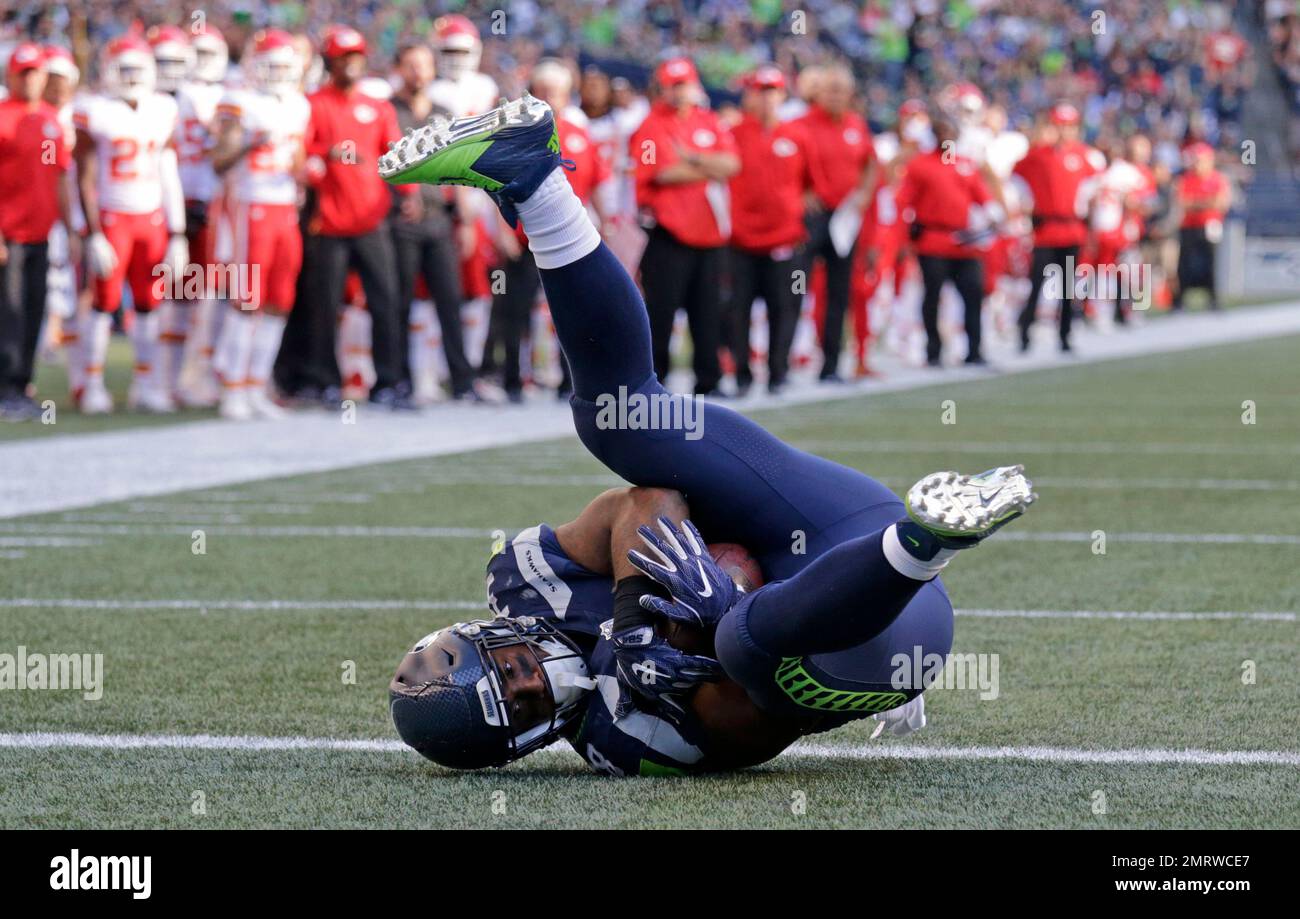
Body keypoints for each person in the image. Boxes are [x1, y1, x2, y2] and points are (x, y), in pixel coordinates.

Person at [379, 97, 1035, 774]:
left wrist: (636, 620)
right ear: (524, 740)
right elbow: (752, 717)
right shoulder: (623, 741)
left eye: (511, 666)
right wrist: (723, 610)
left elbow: (640, 503)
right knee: (750, 647)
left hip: (830, 526)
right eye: (522, 702)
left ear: (492, 633)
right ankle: (928, 540)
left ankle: (533, 179)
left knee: (620, 420)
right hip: (860, 644)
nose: (533, 679)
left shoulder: (522, 585)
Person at [294, 25, 412, 409]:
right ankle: (324, 379)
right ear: (331, 62)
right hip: (327, 222)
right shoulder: (313, 103)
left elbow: (395, 152)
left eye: (357, 55)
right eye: (345, 56)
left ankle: (389, 382)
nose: (353, 63)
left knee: (386, 301)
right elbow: (302, 150)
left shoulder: (377, 107)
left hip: (371, 220)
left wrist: (410, 193)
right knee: (325, 305)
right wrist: (323, 158)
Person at [73, 35, 189, 414]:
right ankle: (91, 384)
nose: (131, 76)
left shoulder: (163, 107)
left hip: (151, 218)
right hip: (112, 217)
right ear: (108, 70)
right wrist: (92, 233)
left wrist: (177, 232)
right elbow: (85, 176)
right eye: (124, 68)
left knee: (149, 303)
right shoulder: (95, 110)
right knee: (104, 303)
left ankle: (146, 383)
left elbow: (169, 170)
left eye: (137, 68)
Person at [208, 28, 309, 421]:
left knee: (279, 301)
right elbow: (219, 162)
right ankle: (232, 387)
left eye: (285, 66)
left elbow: (298, 158)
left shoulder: (299, 104)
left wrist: (305, 171)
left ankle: (255, 384)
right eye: (271, 65)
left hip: (286, 209)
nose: (278, 73)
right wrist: (251, 142)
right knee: (247, 299)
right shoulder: (239, 102)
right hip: (251, 205)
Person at [630, 57, 739, 396]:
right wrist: (710, 167)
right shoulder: (650, 126)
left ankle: (709, 380)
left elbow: (733, 164)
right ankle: (653, 381)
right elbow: (660, 172)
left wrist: (690, 158)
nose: (678, 91)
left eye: (683, 83)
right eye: (672, 84)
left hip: (708, 234)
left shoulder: (709, 121)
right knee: (660, 314)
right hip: (668, 234)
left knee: (707, 312)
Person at [388, 41, 478, 402]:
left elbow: (458, 170)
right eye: (411, 65)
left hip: (439, 219)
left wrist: (466, 219)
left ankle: (461, 381)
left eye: (424, 65)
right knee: (400, 303)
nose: (419, 72)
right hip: (402, 220)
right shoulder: (388, 110)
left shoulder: (442, 112)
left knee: (450, 301)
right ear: (399, 68)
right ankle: (402, 380)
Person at [727, 65, 808, 396]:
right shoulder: (732, 133)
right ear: (749, 95)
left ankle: (778, 371)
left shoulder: (797, 135)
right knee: (737, 309)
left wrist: (799, 211)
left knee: (784, 307)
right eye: (760, 91)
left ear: (782, 95)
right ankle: (742, 375)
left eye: (772, 91)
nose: (766, 98)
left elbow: (815, 183)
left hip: (785, 239)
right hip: (740, 238)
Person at [0, 44, 71, 421]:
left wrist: (72, 228)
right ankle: (6, 387)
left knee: (33, 311)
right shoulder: (2, 118)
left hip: (42, 233)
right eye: (24, 73)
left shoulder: (49, 120)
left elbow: (57, 175)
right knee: (8, 313)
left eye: (35, 72)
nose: (30, 79)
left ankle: (22, 383)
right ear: (11, 76)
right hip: (8, 234)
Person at [792, 64, 877, 382]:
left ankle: (830, 365)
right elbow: (786, 164)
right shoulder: (801, 124)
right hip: (812, 217)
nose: (836, 96)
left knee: (838, 291)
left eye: (841, 90)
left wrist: (864, 194)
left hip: (844, 218)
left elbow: (870, 163)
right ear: (819, 93)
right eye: (830, 89)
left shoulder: (856, 125)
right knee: (795, 286)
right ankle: (782, 364)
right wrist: (800, 193)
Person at [895, 117, 998, 367]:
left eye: (950, 132)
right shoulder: (920, 165)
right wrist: (905, 236)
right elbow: (903, 201)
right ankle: (933, 350)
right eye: (941, 132)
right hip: (933, 239)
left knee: (973, 294)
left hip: (964, 241)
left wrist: (995, 216)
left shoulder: (965, 164)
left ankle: (974, 350)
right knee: (933, 296)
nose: (946, 137)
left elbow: (983, 197)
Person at [1012, 103, 1103, 354]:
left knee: (1067, 288)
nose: (1065, 132)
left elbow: (1093, 192)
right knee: (1037, 283)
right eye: (1060, 126)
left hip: (1072, 229)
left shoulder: (1084, 156)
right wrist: (1027, 207)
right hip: (1046, 230)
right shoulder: (1038, 155)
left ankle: (1064, 336)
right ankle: (1025, 331)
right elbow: (1016, 178)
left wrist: (1091, 227)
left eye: (1069, 126)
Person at [1172, 143, 1230, 312]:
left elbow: (1221, 203)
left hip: (1210, 226)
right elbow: (1182, 202)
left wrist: (1196, 203)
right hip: (1189, 226)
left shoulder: (1217, 178)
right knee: (1184, 264)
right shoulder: (1186, 178)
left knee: (1211, 263)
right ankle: (1180, 300)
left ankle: (1213, 299)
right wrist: (1206, 202)